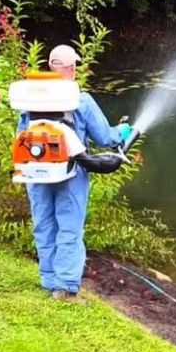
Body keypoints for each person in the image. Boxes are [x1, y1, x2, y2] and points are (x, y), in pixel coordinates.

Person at [17, 45, 132, 303]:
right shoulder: (81, 99)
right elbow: (105, 137)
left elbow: (20, 136)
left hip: (35, 172)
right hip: (71, 173)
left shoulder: (29, 99)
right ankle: (66, 288)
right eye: (74, 66)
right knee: (69, 229)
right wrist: (123, 131)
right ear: (71, 68)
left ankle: (49, 281)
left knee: (44, 225)